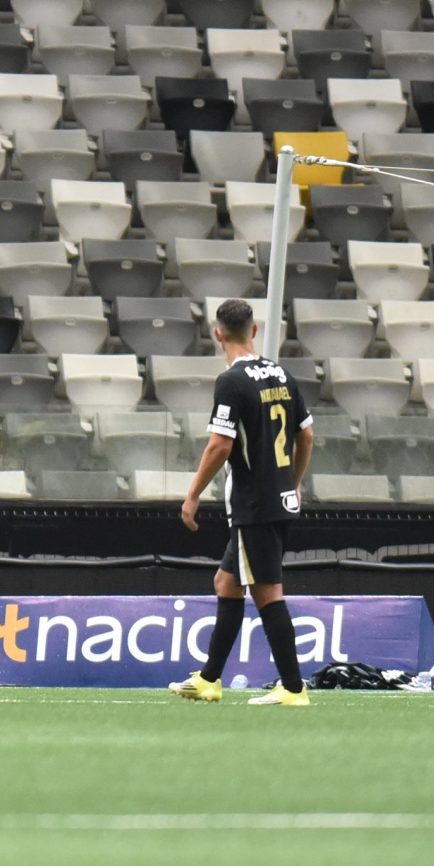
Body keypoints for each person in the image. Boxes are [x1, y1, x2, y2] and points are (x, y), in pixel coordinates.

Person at [168, 299, 316, 707]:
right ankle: (210, 679)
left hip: (255, 503)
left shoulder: (231, 381)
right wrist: (294, 482)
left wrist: (193, 494)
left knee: (267, 591)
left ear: (218, 333)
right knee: (226, 582)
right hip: (279, 497)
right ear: (254, 331)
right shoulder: (282, 374)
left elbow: (220, 445)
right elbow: (306, 435)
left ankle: (292, 687)